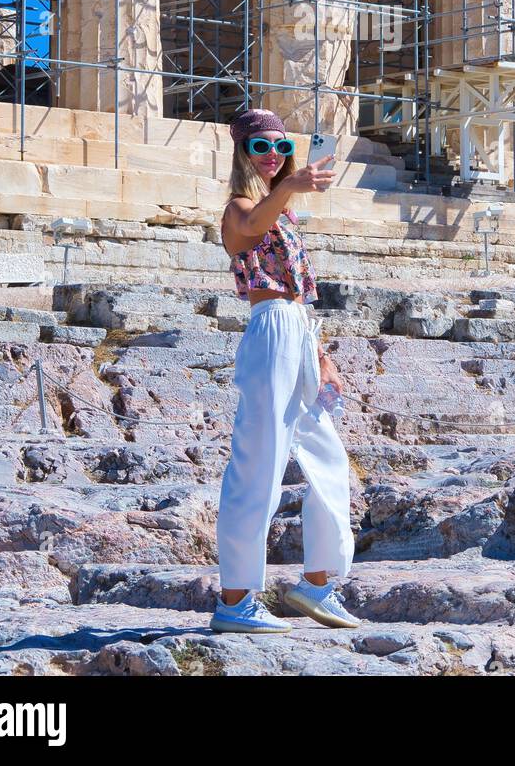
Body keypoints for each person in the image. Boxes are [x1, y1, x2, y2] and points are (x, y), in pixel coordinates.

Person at [211, 107, 361, 634]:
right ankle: (235, 600)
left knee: (329, 459)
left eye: (281, 145)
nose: (273, 154)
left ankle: (317, 584)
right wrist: (291, 186)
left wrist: (321, 356)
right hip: (269, 326)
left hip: (297, 328)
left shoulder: (287, 213)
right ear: (242, 153)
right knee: (260, 460)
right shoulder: (239, 207)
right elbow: (251, 229)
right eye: (260, 146)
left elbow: (299, 293)